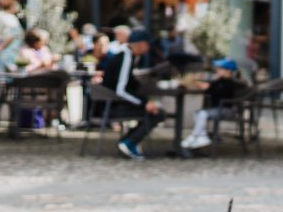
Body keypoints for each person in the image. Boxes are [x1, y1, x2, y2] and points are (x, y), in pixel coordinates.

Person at [97, 28, 165, 160]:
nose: (149, 48)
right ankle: (129, 143)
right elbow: (121, 90)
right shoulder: (125, 57)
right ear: (141, 44)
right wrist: (144, 103)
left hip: (110, 105)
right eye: (148, 44)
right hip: (112, 107)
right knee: (157, 113)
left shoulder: (126, 55)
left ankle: (128, 141)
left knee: (154, 110)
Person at [180, 59, 244, 152]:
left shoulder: (230, 83)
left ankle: (196, 136)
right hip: (217, 108)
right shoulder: (219, 81)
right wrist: (197, 83)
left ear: (228, 71)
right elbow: (211, 86)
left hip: (227, 110)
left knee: (201, 114)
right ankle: (201, 137)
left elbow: (218, 91)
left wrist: (207, 88)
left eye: (221, 69)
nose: (217, 70)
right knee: (198, 113)